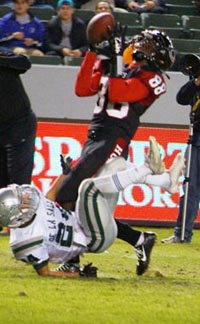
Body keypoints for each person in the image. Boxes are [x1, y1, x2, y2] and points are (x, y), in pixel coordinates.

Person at [0, 138, 184, 278]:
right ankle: (146, 167)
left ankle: (166, 181)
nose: (25, 198)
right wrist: (77, 274)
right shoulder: (23, 243)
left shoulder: (31, 203)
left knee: (116, 164)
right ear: (17, 218)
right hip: (92, 238)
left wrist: (65, 174)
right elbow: (45, 272)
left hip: (87, 219)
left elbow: (49, 197)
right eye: (20, 203)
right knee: (89, 188)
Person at [162, 55, 200, 244]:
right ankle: (182, 234)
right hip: (196, 141)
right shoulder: (195, 85)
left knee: (191, 188)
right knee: (189, 187)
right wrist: (196, 82)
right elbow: (181, 98)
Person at [0, 50, 37, 234]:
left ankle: (22, 223)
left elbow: (24, 63)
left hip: (19, 122)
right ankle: (3, 219)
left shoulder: (3, 55)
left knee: (19, 177)